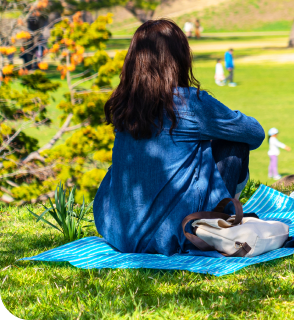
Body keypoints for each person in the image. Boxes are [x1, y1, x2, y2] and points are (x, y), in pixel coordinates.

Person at [93, 19, 264, 255]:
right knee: (233, 142)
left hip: (118, 232)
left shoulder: (124, 104)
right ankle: (217, 223)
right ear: (181, 58)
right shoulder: (191, 102)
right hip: (177, 234)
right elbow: (254, 133)